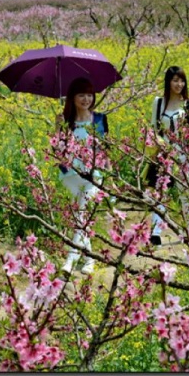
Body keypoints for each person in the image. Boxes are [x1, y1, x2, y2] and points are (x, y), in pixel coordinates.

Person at [56, 77, 108, 275]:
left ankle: (70, 259)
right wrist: (58, 127)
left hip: (94, 175)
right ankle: (89, 261)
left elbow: (106, 149)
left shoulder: (100, 119)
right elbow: (57, 150)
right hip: (71, 174)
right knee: (81, 215)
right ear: (72, 97)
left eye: (89, 94)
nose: (86, 99)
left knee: (81, 212)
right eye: (81, 95)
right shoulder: (66, 121)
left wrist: (111, 179)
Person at [145, 66, 189, 245]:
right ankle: (155, 232)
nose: (179, 84)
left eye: (182, 80)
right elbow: (154, 128)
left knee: (186, 193)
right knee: (159, 192)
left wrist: (185, 153)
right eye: (175, 80)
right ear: (168, 82)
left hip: (184, 155)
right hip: (163, 153)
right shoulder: (158, 103)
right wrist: (160, 145)